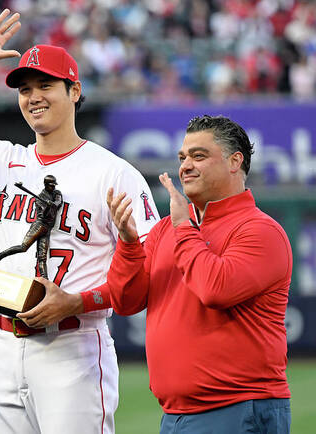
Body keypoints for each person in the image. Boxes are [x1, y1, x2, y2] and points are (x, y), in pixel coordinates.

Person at [0, 9, 159, 434]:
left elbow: (152, 270)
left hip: (74, 344)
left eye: (46, 85)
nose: (33, 97)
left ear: (74, 90)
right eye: (24, 89)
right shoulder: (2, 159)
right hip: (4, 345)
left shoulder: (113, 173)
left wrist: (80, 301)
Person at [105, 115, 292, 433]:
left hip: (238, 408)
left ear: (235, 162)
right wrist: (128, 244)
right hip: (176, 414)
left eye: (199, 156)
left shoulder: (260, 230)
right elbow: (126, 301)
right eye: (182, 157)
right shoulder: (168, 228)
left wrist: (183, 227)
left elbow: (215, 288)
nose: (185, 166)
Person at [0, 174, 63, 278]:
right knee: (23, 247)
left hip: (47, 228)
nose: (53, 187)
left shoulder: (56, 193)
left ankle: (45, 281)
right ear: (46, 185)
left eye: (54, 185)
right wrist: (47, 207)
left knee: (42, 257)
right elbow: (45, 215)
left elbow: (59, 202)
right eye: (51, 185)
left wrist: (53, 204)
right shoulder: (39, 198)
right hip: (39, 226)